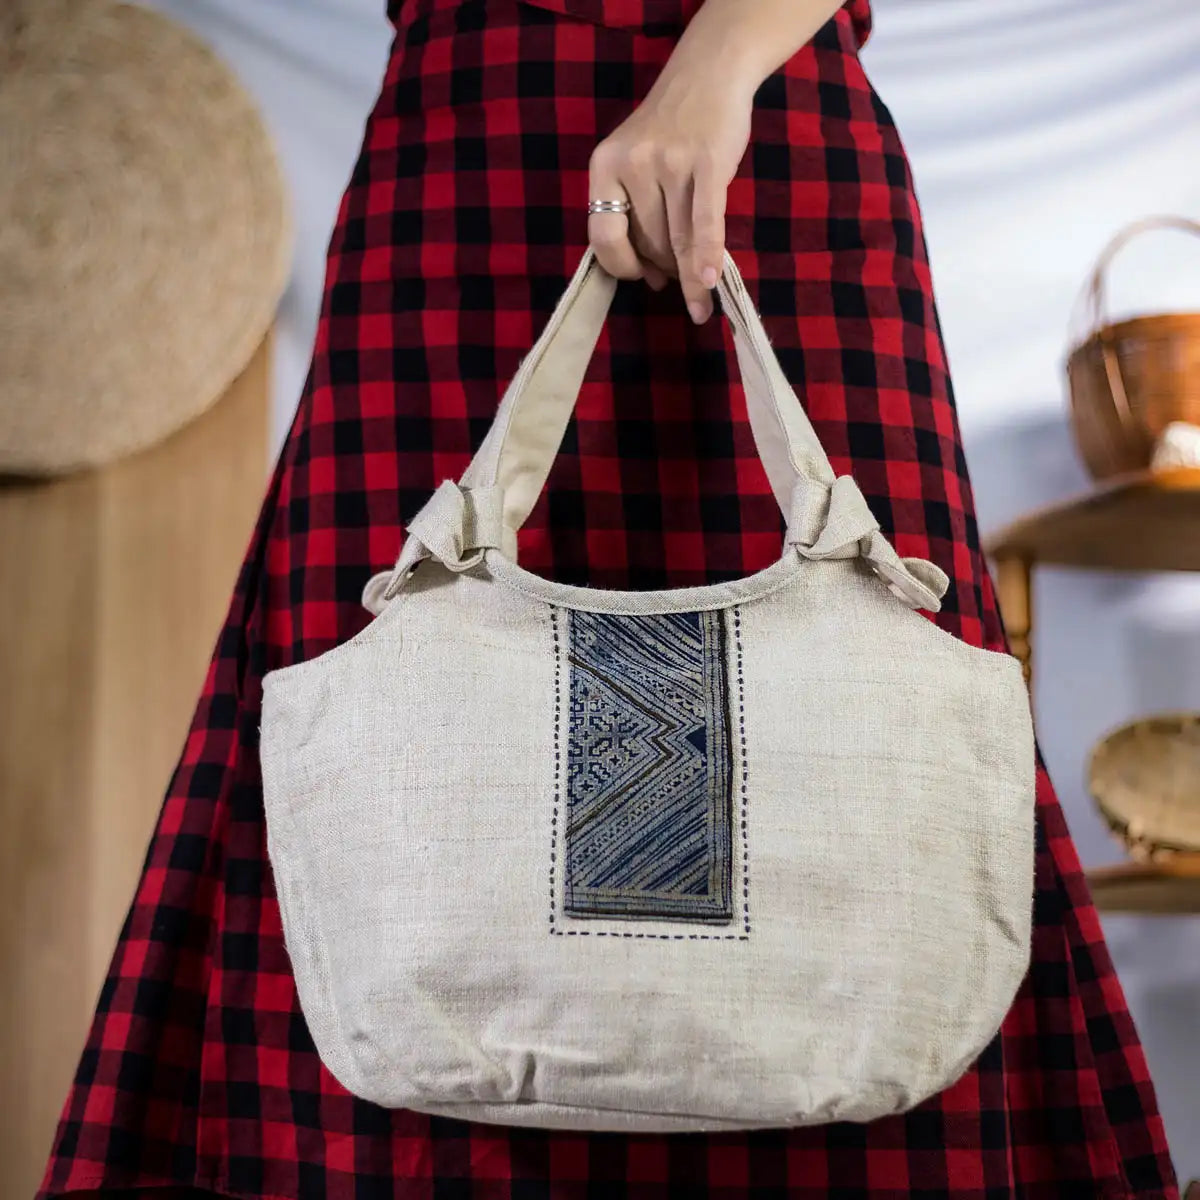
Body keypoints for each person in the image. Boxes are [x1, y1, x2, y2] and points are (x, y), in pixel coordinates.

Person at [38, 0, 1180, 1195]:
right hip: (459, 163)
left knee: (878, 690)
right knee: (401, 717)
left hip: (760, 127)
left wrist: (718, 62)